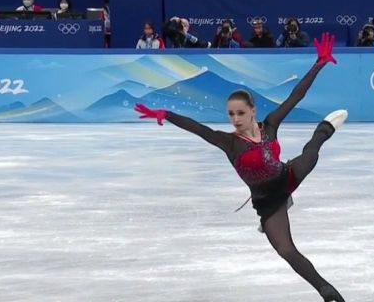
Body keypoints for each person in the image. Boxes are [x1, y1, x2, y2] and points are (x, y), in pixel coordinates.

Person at [134, 33, 347, 302]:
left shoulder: (270, 126)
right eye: (231, 114)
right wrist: (166, 114)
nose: (235, 119)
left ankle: (323, 130)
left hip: (287, 176)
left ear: (253, 111)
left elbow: (295, 96)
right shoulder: (229, 143)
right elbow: (199, 129)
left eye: (240, 113)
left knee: (312, 155)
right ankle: (327, 292)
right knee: (285, 250)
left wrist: (319, 63)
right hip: (267, 200)